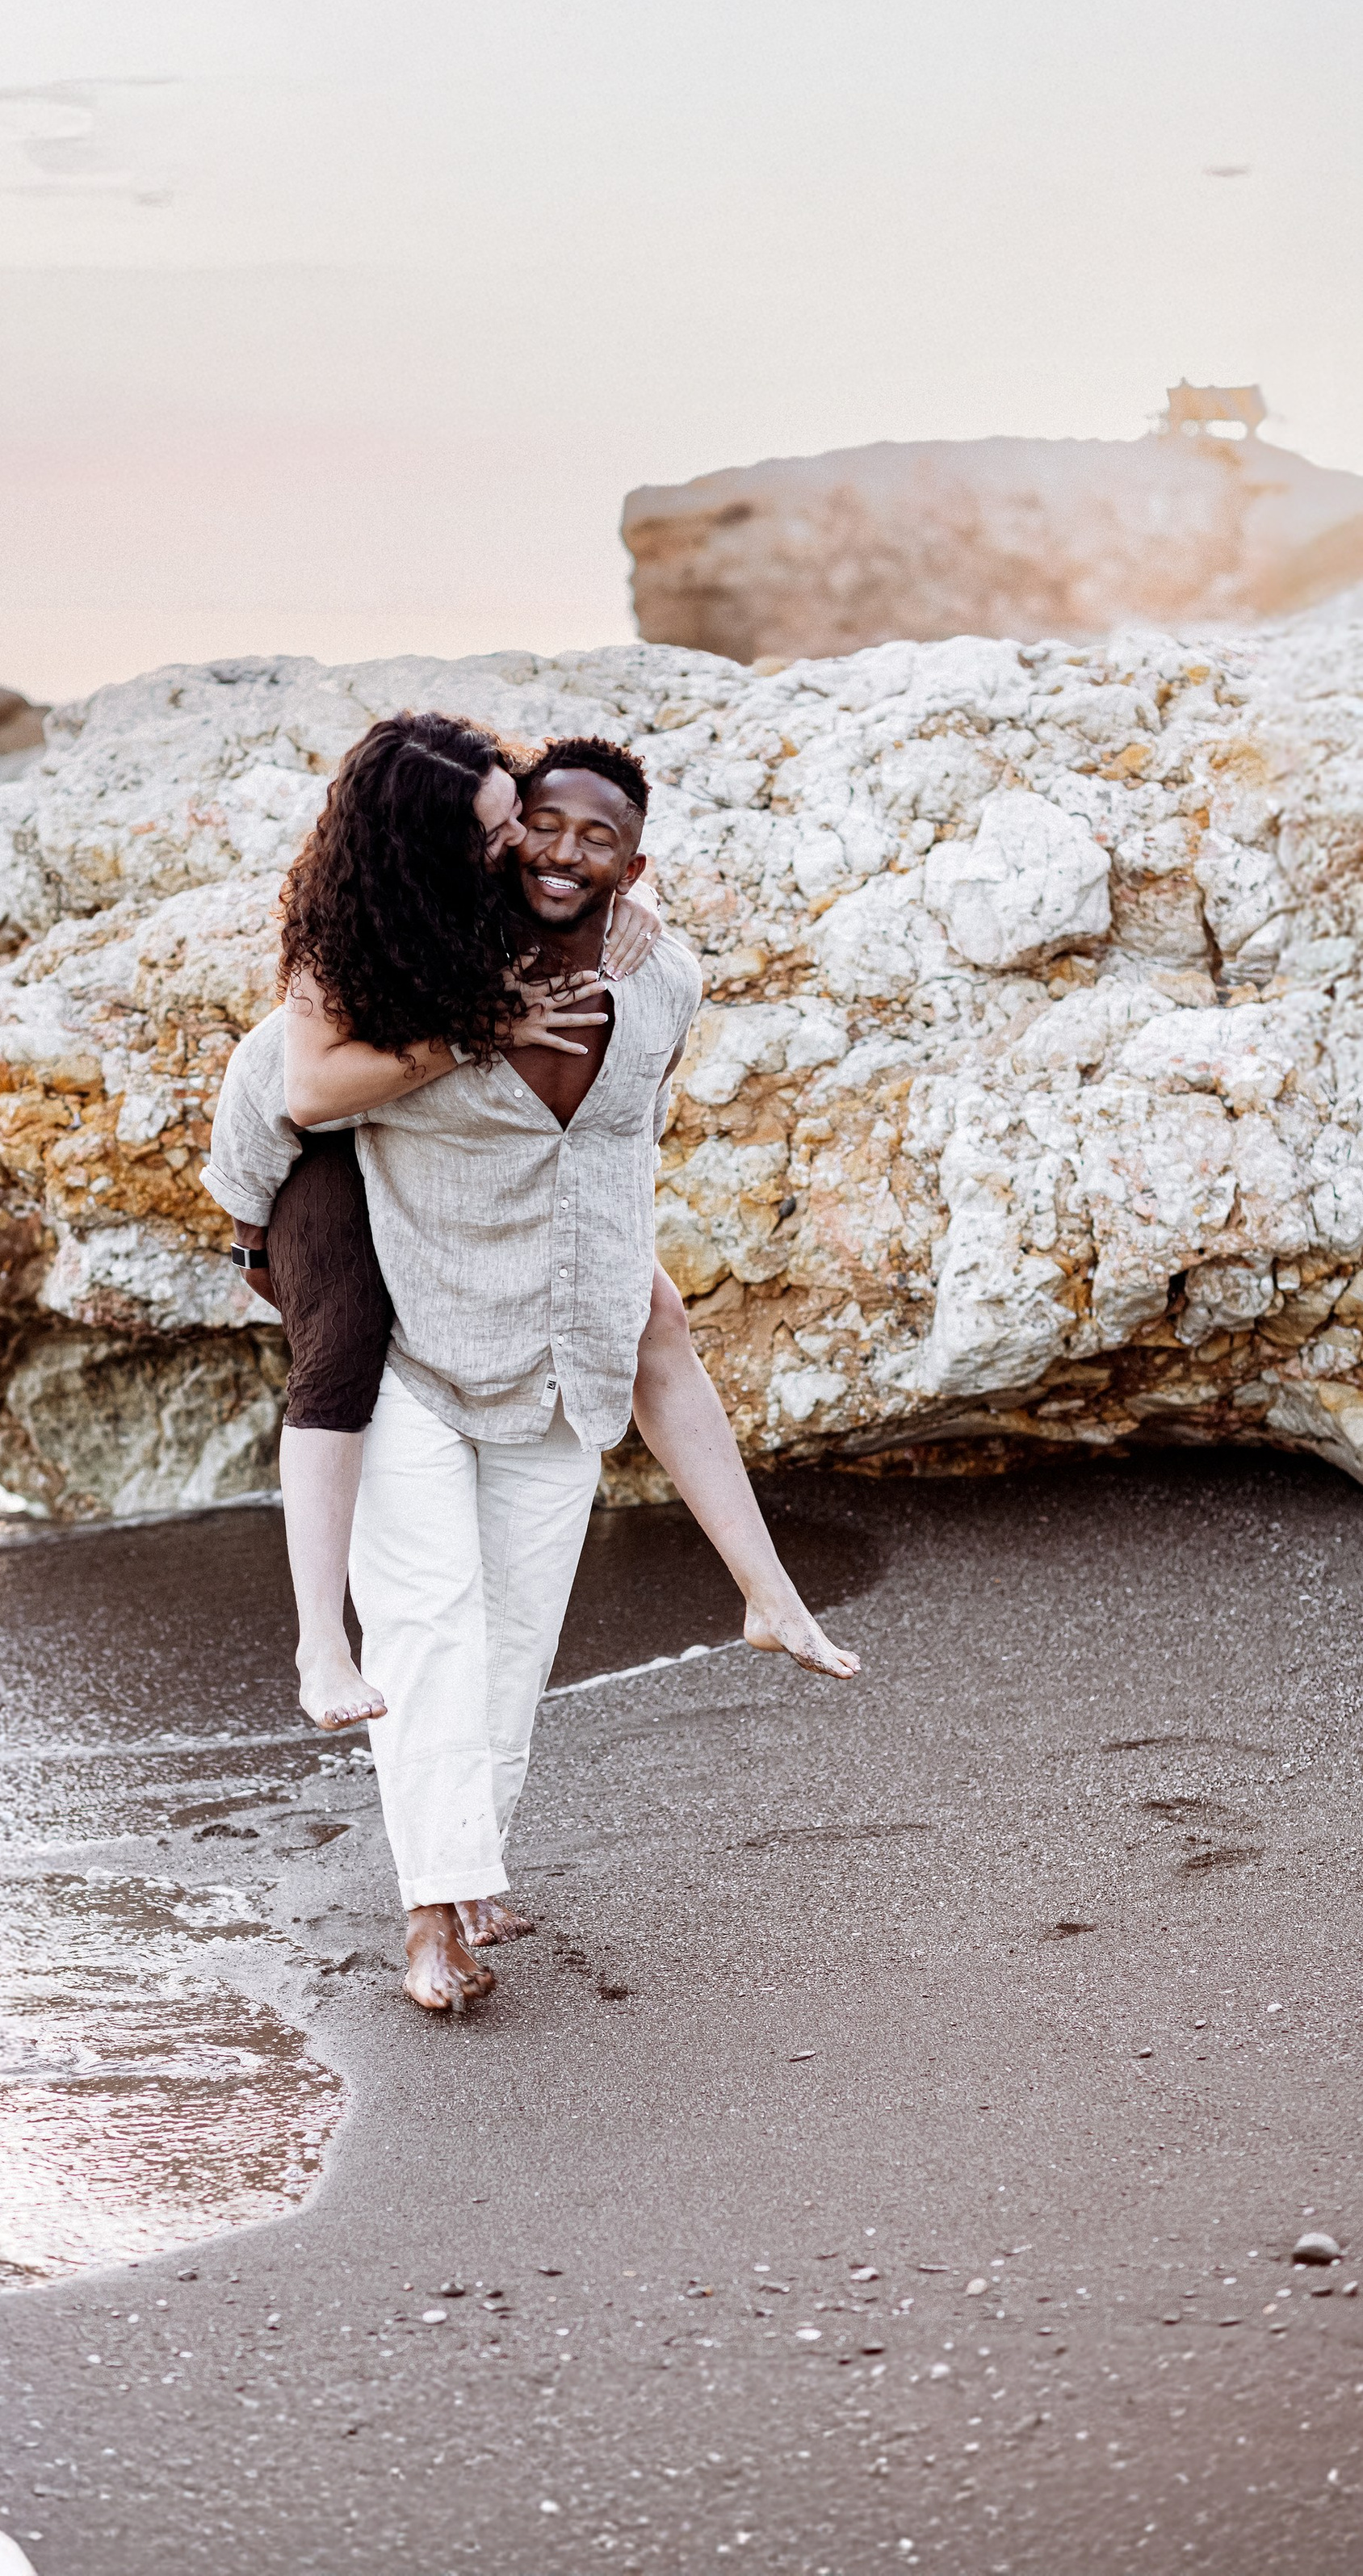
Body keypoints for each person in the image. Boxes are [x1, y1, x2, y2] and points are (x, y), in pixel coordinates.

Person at [209, 731, 859, 2014]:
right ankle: (430, 1919)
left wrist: (635, 918)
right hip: (419, 1341)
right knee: (432, 1627)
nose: (537, 852)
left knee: (512, 1645)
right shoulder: (410, 966)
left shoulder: (660, 976)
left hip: (559, 1359)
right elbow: (275, 1086)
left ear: (633, 859)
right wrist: (251, 1226)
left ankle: (467, 1858)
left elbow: (623, 1151)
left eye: (579, 837)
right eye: (518, 829)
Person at [202, 709, 664, 1733]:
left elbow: (587, 859)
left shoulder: (501, 874)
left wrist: (641, 906)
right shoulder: (350, 921)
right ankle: (322, 1643)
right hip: (297, 1141)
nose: (518, 848)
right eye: (496, 834)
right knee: (345, 1349)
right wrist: (481, 1034)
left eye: (513, 820)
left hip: (410, 1127)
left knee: (648, 1302)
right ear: (429, 848)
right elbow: (310, 1093)